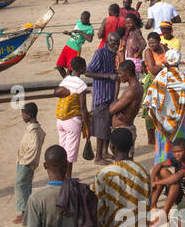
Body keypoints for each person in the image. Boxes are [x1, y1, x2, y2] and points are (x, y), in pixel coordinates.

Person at [145, 48, 185, 165]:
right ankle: (181, 167)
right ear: (179, 61)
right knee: (180, 144)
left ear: (166, 61)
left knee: (163, 147)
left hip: (163, 120)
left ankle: (163, 166)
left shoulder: (160, 77)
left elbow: (150, 100)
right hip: (181, 120)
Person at [87, 31, 119, 164]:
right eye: (113, 43)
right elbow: (88, 72)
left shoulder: (113, 55)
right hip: (101, 97)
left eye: (117, 43)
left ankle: (105, 152)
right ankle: (98, 156)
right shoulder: (99, 53)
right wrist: (108, 76)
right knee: (101, 127)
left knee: (107, 126)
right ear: (107, 42)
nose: (116, 45)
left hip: (110, 97)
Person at [53, 56, 89, 177]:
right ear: (82, 68)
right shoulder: (81, 85)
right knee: (70, 153)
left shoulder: (65, 80)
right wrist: (87, 126)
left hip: (60, 121)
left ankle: (61, 177)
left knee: (62, 150)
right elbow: (83, 108)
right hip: (73, 121)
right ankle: (68, 179)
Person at [12, 102, 46, 225]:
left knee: (20, 185)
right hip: (24, 162)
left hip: (26, 163)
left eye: (23, 114)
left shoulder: (34, 132)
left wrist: (24, 162)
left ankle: (24, 212)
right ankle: (26, 210)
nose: (22, 116)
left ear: (30, 115)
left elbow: (34, 149)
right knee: (25, 186)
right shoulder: (33, 129)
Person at [109, 59, 144, 139]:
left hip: (123, 131)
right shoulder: (137, 87)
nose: (119, 76)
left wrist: (115, 100)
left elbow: (112, 110)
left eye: (120, 73)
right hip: (127, 128)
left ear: (128, 73)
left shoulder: (131, 91)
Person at [55, 10, 93, 76]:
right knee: (59, 66)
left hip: (75, 50)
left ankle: (69, 84)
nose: (81, 20)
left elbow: (90, 39)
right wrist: (69, 33)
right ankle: (67, 83)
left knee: (70, 70)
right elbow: (75, 36)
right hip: (68, 46)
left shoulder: (89, 28)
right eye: (81, 18)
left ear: (88, 19)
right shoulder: (79, 22)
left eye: (83, 19)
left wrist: (80, 32)